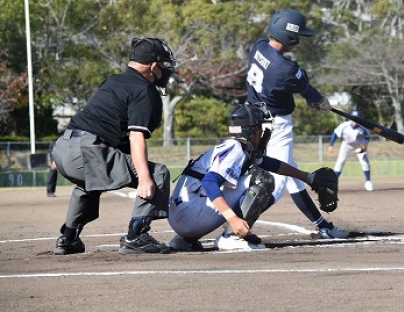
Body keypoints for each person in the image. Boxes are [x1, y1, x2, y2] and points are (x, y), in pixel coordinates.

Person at [50, 37, 176, 255]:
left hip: (62, 148)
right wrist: (144, 178)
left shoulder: (113, 80)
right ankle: (136, 237)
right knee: (158, 174)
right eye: (163, 64)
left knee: (90, 185)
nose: (165, 69)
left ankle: (68, 239)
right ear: (153, 65)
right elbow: (136, 136)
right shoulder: (144, 89)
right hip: (87, 149)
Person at [168, 103, 336, 251]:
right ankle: (231, 238)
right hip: (190, 215)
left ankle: (184, 240)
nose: (262, 132)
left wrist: (307, 177)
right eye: (260, 128)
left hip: (181, 216)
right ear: (253, 130)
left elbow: (272, 164)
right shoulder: (235, 149)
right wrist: (232, 218)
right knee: (262, 180)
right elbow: (209, 182)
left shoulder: (236, 147)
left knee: (257, 176)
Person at [246, 9, 349, 240]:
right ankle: (235, 229)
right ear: (290, 37)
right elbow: (307, 90)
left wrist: (311, 98)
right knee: (276, 185)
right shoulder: (286, 68)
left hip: (254, 123)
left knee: (293, 176)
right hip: (276, 127)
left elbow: (287, 83)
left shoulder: (258, 47)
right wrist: (320, 101)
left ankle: (323, 227)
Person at [328, 110, 373, 191]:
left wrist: (365, 144)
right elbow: (335, 133)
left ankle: (368, 182)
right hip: (347, 144)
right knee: (340, 162)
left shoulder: (363, 127)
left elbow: (367, 136)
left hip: (359, 145)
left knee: (365, 162)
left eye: (357, 119)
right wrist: (331, 144)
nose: (355, 120)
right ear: (350, 118)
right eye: (353, 118)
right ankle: (333, 184)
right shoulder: (344, 125)